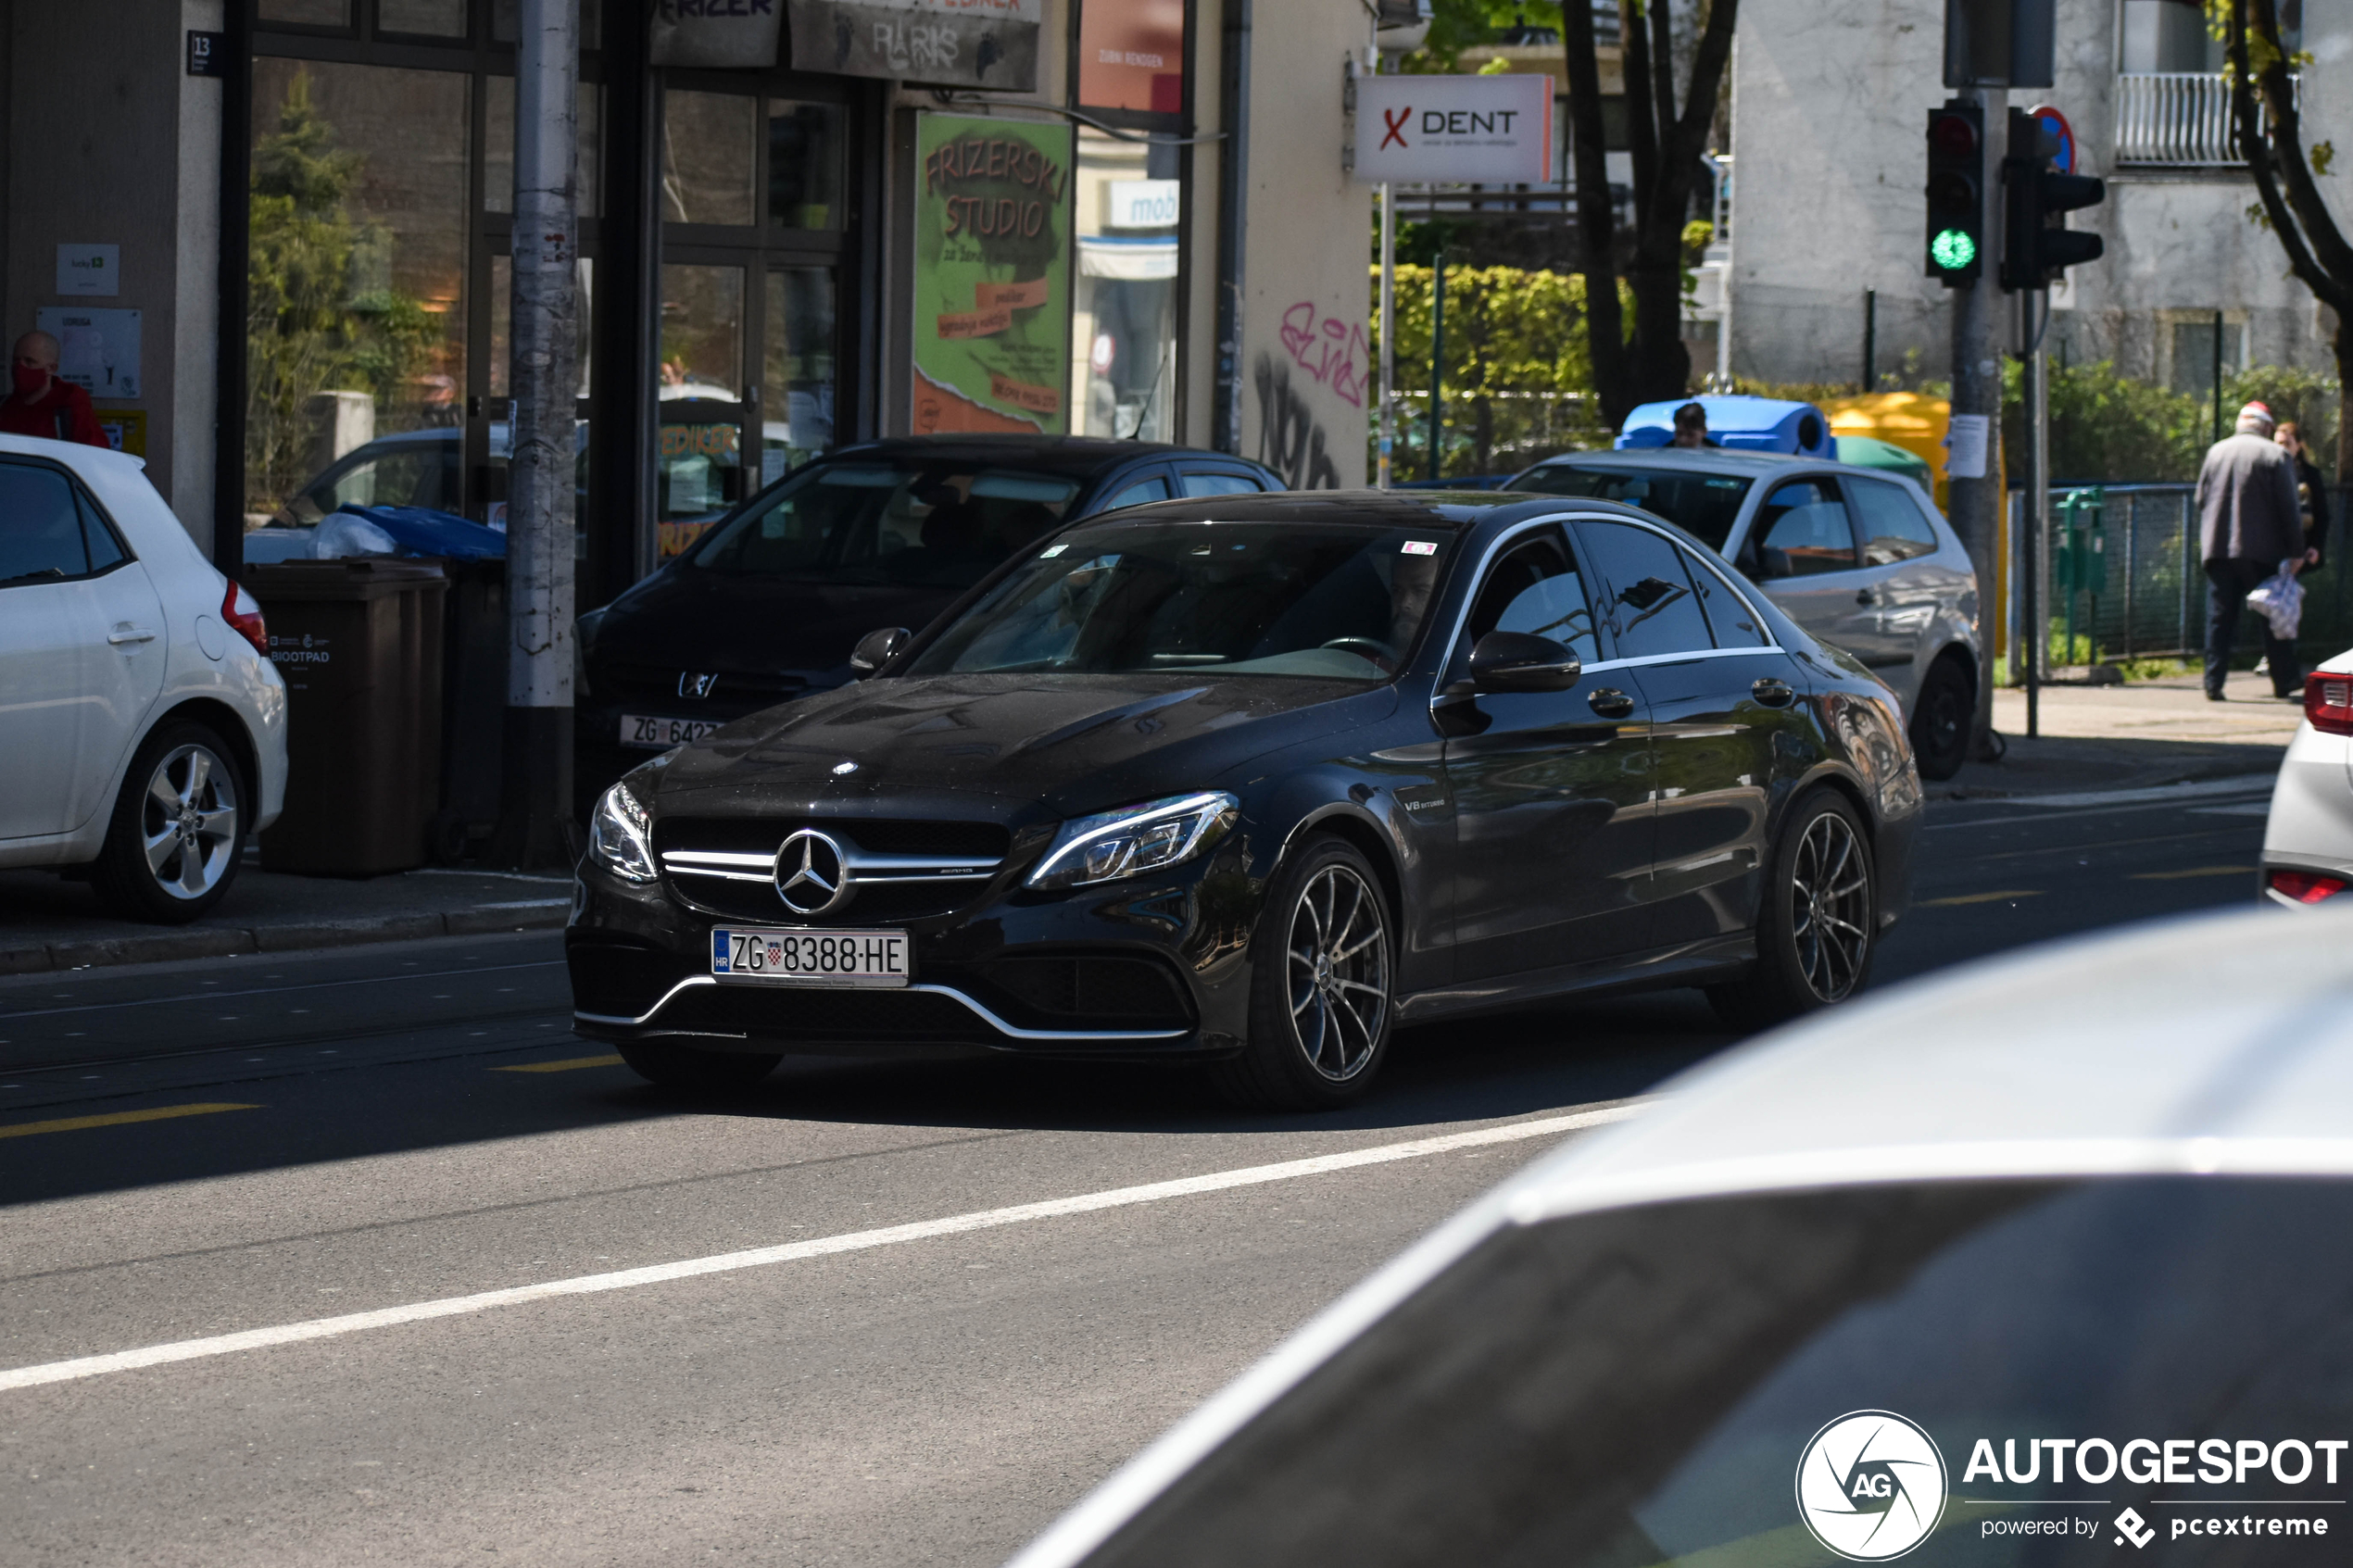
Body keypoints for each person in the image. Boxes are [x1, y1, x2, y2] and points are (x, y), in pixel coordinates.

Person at [2196, 401, 2306, 701]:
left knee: (2220, 618)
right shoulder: (2275, 454)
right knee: (2272, 614)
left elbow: (2200, 499)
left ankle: (2213, 682)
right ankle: (2284, 680)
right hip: (2261, 550)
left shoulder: (2216, 451)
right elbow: (2289, 507)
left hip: (2218, 548)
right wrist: (2297, 550)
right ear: (2268, 427)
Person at [0, 330, 106, 446]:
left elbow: (94, 454)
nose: (20, 367)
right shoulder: (4, 407)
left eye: (29, 361)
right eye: (16, 361)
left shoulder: (69, 407)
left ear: (51, 368)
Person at [2274, 419, 2328, 574]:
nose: (2281, 449)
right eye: (2277, 444)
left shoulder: (2310, 474)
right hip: (2273, 547)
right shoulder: (2268, 470)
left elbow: (2322, 514)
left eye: (2286, 444)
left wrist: (2316, 545)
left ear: (2298, 446)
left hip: (2302, 546)